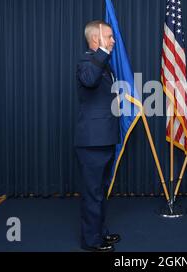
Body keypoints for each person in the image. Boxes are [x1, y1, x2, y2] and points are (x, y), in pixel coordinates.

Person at [75, 20, 121, 252]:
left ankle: (99, 233)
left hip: (104, 138)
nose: (113, 41)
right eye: (109, 37)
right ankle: (91, 241)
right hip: (92, 141)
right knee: (92, 193)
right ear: (97, 39)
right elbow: (89, 80)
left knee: (100, 191)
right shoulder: (87, 61)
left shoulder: (104, 65)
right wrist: (102, 52)